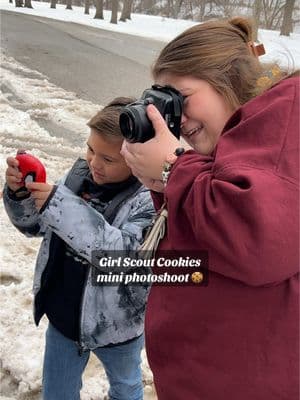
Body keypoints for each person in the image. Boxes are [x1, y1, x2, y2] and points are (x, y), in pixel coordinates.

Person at [121, 17, 299, 400]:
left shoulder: (287, 120)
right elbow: (197, 261)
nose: (177, 119)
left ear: (229, 79)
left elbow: (258, 241)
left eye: (181, 97)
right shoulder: (229, 149)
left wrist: (174, 167)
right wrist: (163, 185)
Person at [3, 97, 155, 400]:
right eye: (90, 149)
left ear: (138, 157)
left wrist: (58, 204)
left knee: (126, 387)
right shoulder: (76, 179)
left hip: (117, 325)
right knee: (58, 392)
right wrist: (20, 194)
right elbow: (35, 226)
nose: (94, 163)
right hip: (63, 316)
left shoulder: (149, 199)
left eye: (108, 159)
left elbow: (124, 257)